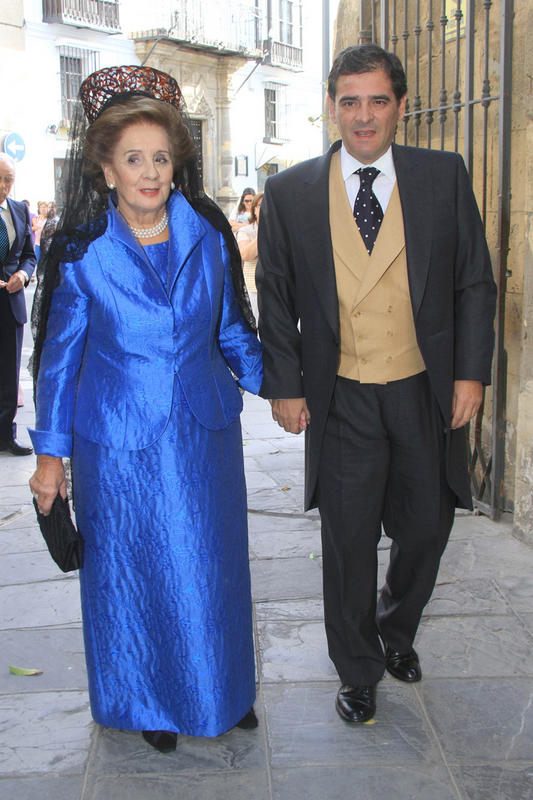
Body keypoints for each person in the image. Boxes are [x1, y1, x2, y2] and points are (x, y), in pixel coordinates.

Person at [256, 44, 497, 724]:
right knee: (348, 539)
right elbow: (274, 294)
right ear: (331, 107)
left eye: (378, 101)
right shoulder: (290, 192)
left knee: (427, 526)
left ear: (400, 106)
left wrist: (470, 373)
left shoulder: (443, 176)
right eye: (350, 101)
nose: (363, 116)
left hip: (422, 387)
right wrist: (285, 385)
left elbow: (473, 282)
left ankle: (395, 626)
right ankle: (357, 667)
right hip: (342, 395)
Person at [28, 65, 263, 753]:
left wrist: (285, 388)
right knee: (137, 570)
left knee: (212, 565)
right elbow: (58, 365)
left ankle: (224, 691)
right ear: (106, 170)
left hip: (203, 434)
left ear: (176, 163)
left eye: (160, 158)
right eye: (133, 159)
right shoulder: (81, 254)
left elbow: (231, 332)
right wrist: (50, 459)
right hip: (118, 445)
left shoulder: (208, 235)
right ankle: (146, 697)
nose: (150, 172)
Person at [0, 153, 36, 456]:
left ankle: (6, 435)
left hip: (11, 305)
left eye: (8, 180)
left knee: (9, 375)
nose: (2, 185)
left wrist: (23, 275)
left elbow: (29, 255)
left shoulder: (20, 210)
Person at [237, 192, 263, 292]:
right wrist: (265, 228)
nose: (264, 209)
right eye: (260, 205)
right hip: (253, 288)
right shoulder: (245, 231)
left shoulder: (279, 230)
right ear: (254, 209)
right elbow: (246, 255)